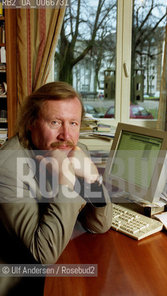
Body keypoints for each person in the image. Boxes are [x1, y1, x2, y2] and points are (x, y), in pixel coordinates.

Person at [0, 82, 112, 295]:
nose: (66, 135)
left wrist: (93, 180)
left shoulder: (74, 151)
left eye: (73, 123)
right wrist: (66, 180)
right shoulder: (6, 167)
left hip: (60, 265)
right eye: (55, 122)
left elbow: (100, 224)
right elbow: (43, 255)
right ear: (31, 123)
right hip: (20, 283)